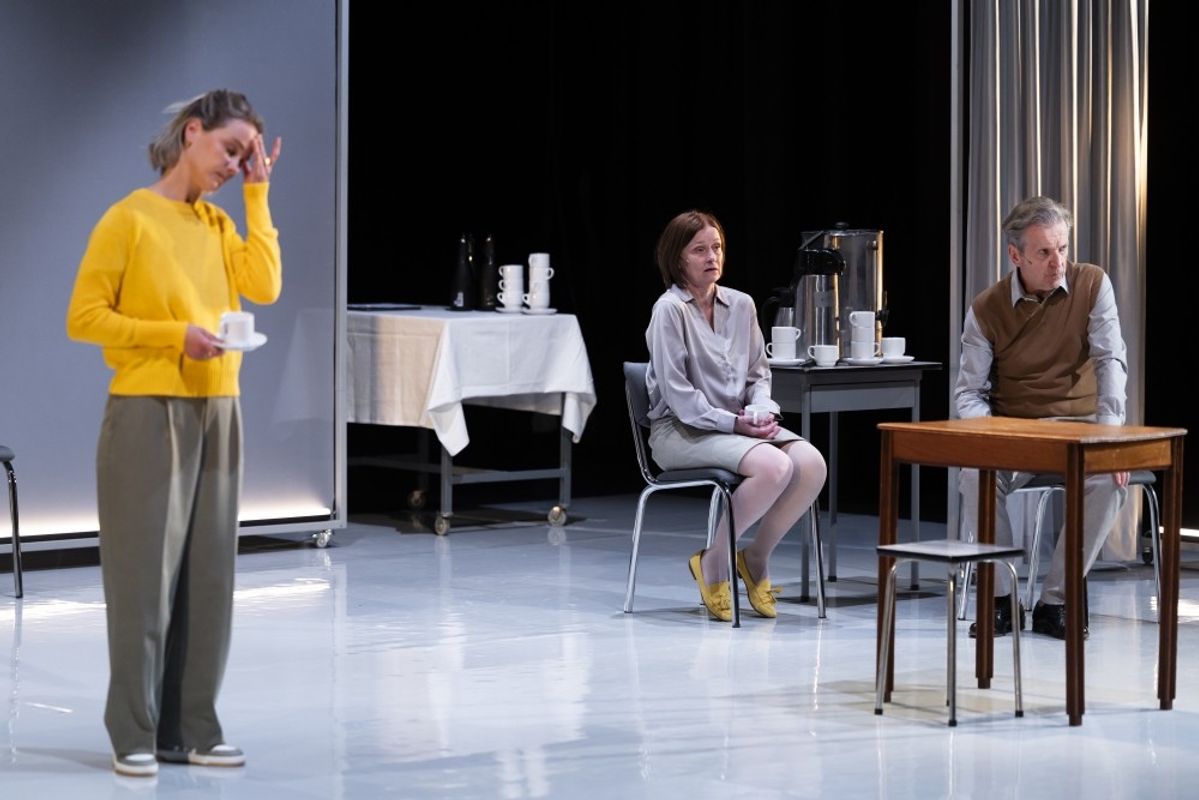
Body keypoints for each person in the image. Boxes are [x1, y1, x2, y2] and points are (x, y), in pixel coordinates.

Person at [66, 89, 283, 777]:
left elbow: (265, 286)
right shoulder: (128, 218)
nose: (233, 165)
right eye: (229, 149)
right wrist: (172, 336)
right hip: (146, 409)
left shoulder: (219, 225)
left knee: (210, 577)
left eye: (244, 156)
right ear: (192, 133)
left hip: (220, 405)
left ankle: (193, 728)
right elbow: (84, 317)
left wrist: (257, 196)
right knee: (143, 579)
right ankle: (133, 729)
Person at [956, 195, 1128, 640]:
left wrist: (1110, 434)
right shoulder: (987, 308)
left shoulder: (1092, 283)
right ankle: (1001, 598)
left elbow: (1111, 360)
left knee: (1108, 480)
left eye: (1063, 248)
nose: (1058, 263)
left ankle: (1056, 602)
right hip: (1016, 428)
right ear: (1016, 256)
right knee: (974, 474)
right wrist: (988, 436)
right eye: (1045, 252)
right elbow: (969, 393)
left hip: (1081, 425)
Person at [644, 210, 827, 622]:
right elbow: (679, 397)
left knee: (811, 464)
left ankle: (756, 557)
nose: (712, 257)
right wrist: (735, 424)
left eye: (717, 247)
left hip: (735, 427)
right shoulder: (669, 311)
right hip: (680, 431)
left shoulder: (741, 304)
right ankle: (714, 561)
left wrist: (760, 412)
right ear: (677, 258)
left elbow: (758, 374)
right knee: (775, 466)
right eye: (699, 250)